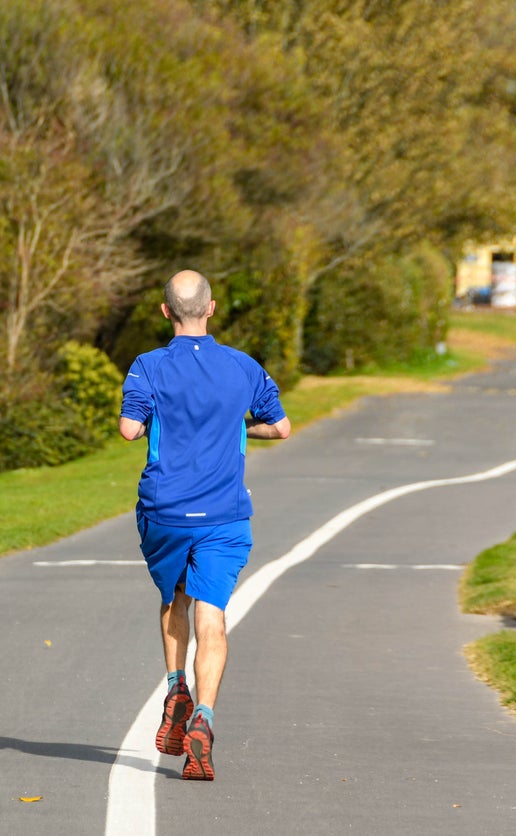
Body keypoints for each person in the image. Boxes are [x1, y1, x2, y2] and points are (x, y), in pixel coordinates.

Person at [119, 270, 291, 781]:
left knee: (175, 598)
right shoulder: (243, 367)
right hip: (224, 513)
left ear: (165, 311)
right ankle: (204, 719)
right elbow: (280, 427)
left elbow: (130, 429)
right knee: (211, 616)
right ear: (211, 309)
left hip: (165, 510)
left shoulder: (147, 366)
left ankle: (176, 687)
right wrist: (237, 424)